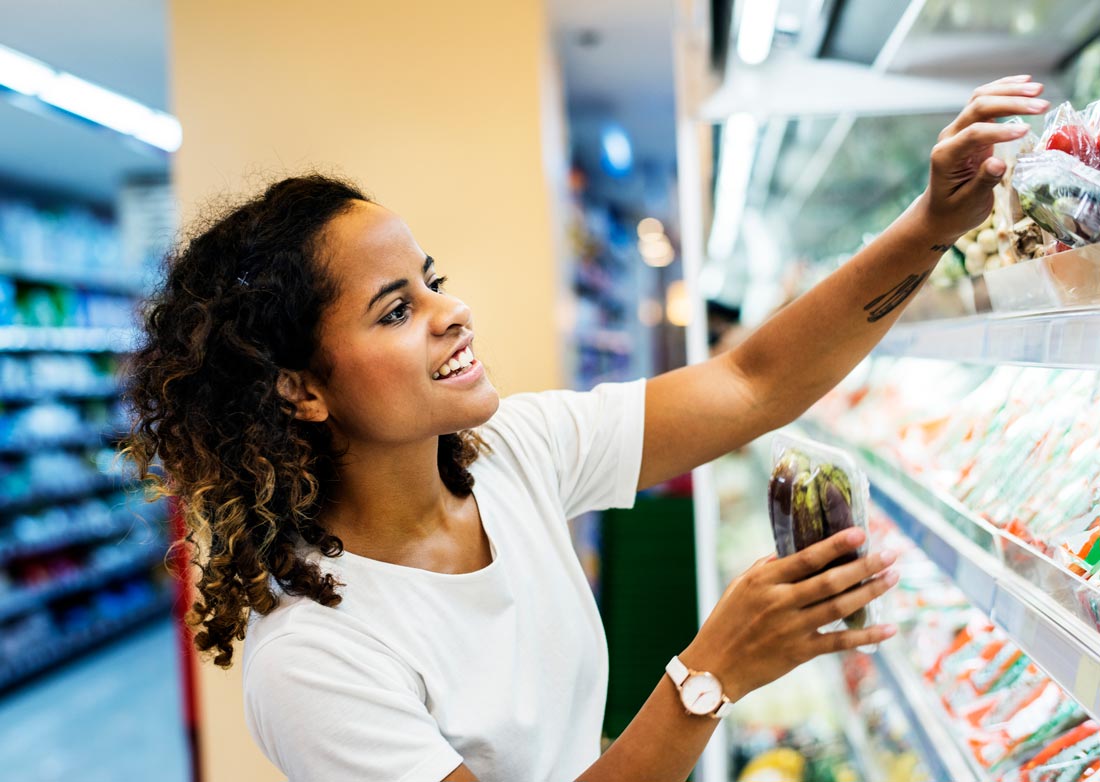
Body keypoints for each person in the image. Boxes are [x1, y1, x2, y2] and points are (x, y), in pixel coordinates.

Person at [122, 76, 1047, 782]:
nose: (453, 313)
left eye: (433, 279)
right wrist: (708, 675)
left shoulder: (512, 456)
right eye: (395, 309)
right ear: (301, 392)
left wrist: (932, 224)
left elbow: (750, 380)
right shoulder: (316, 660)